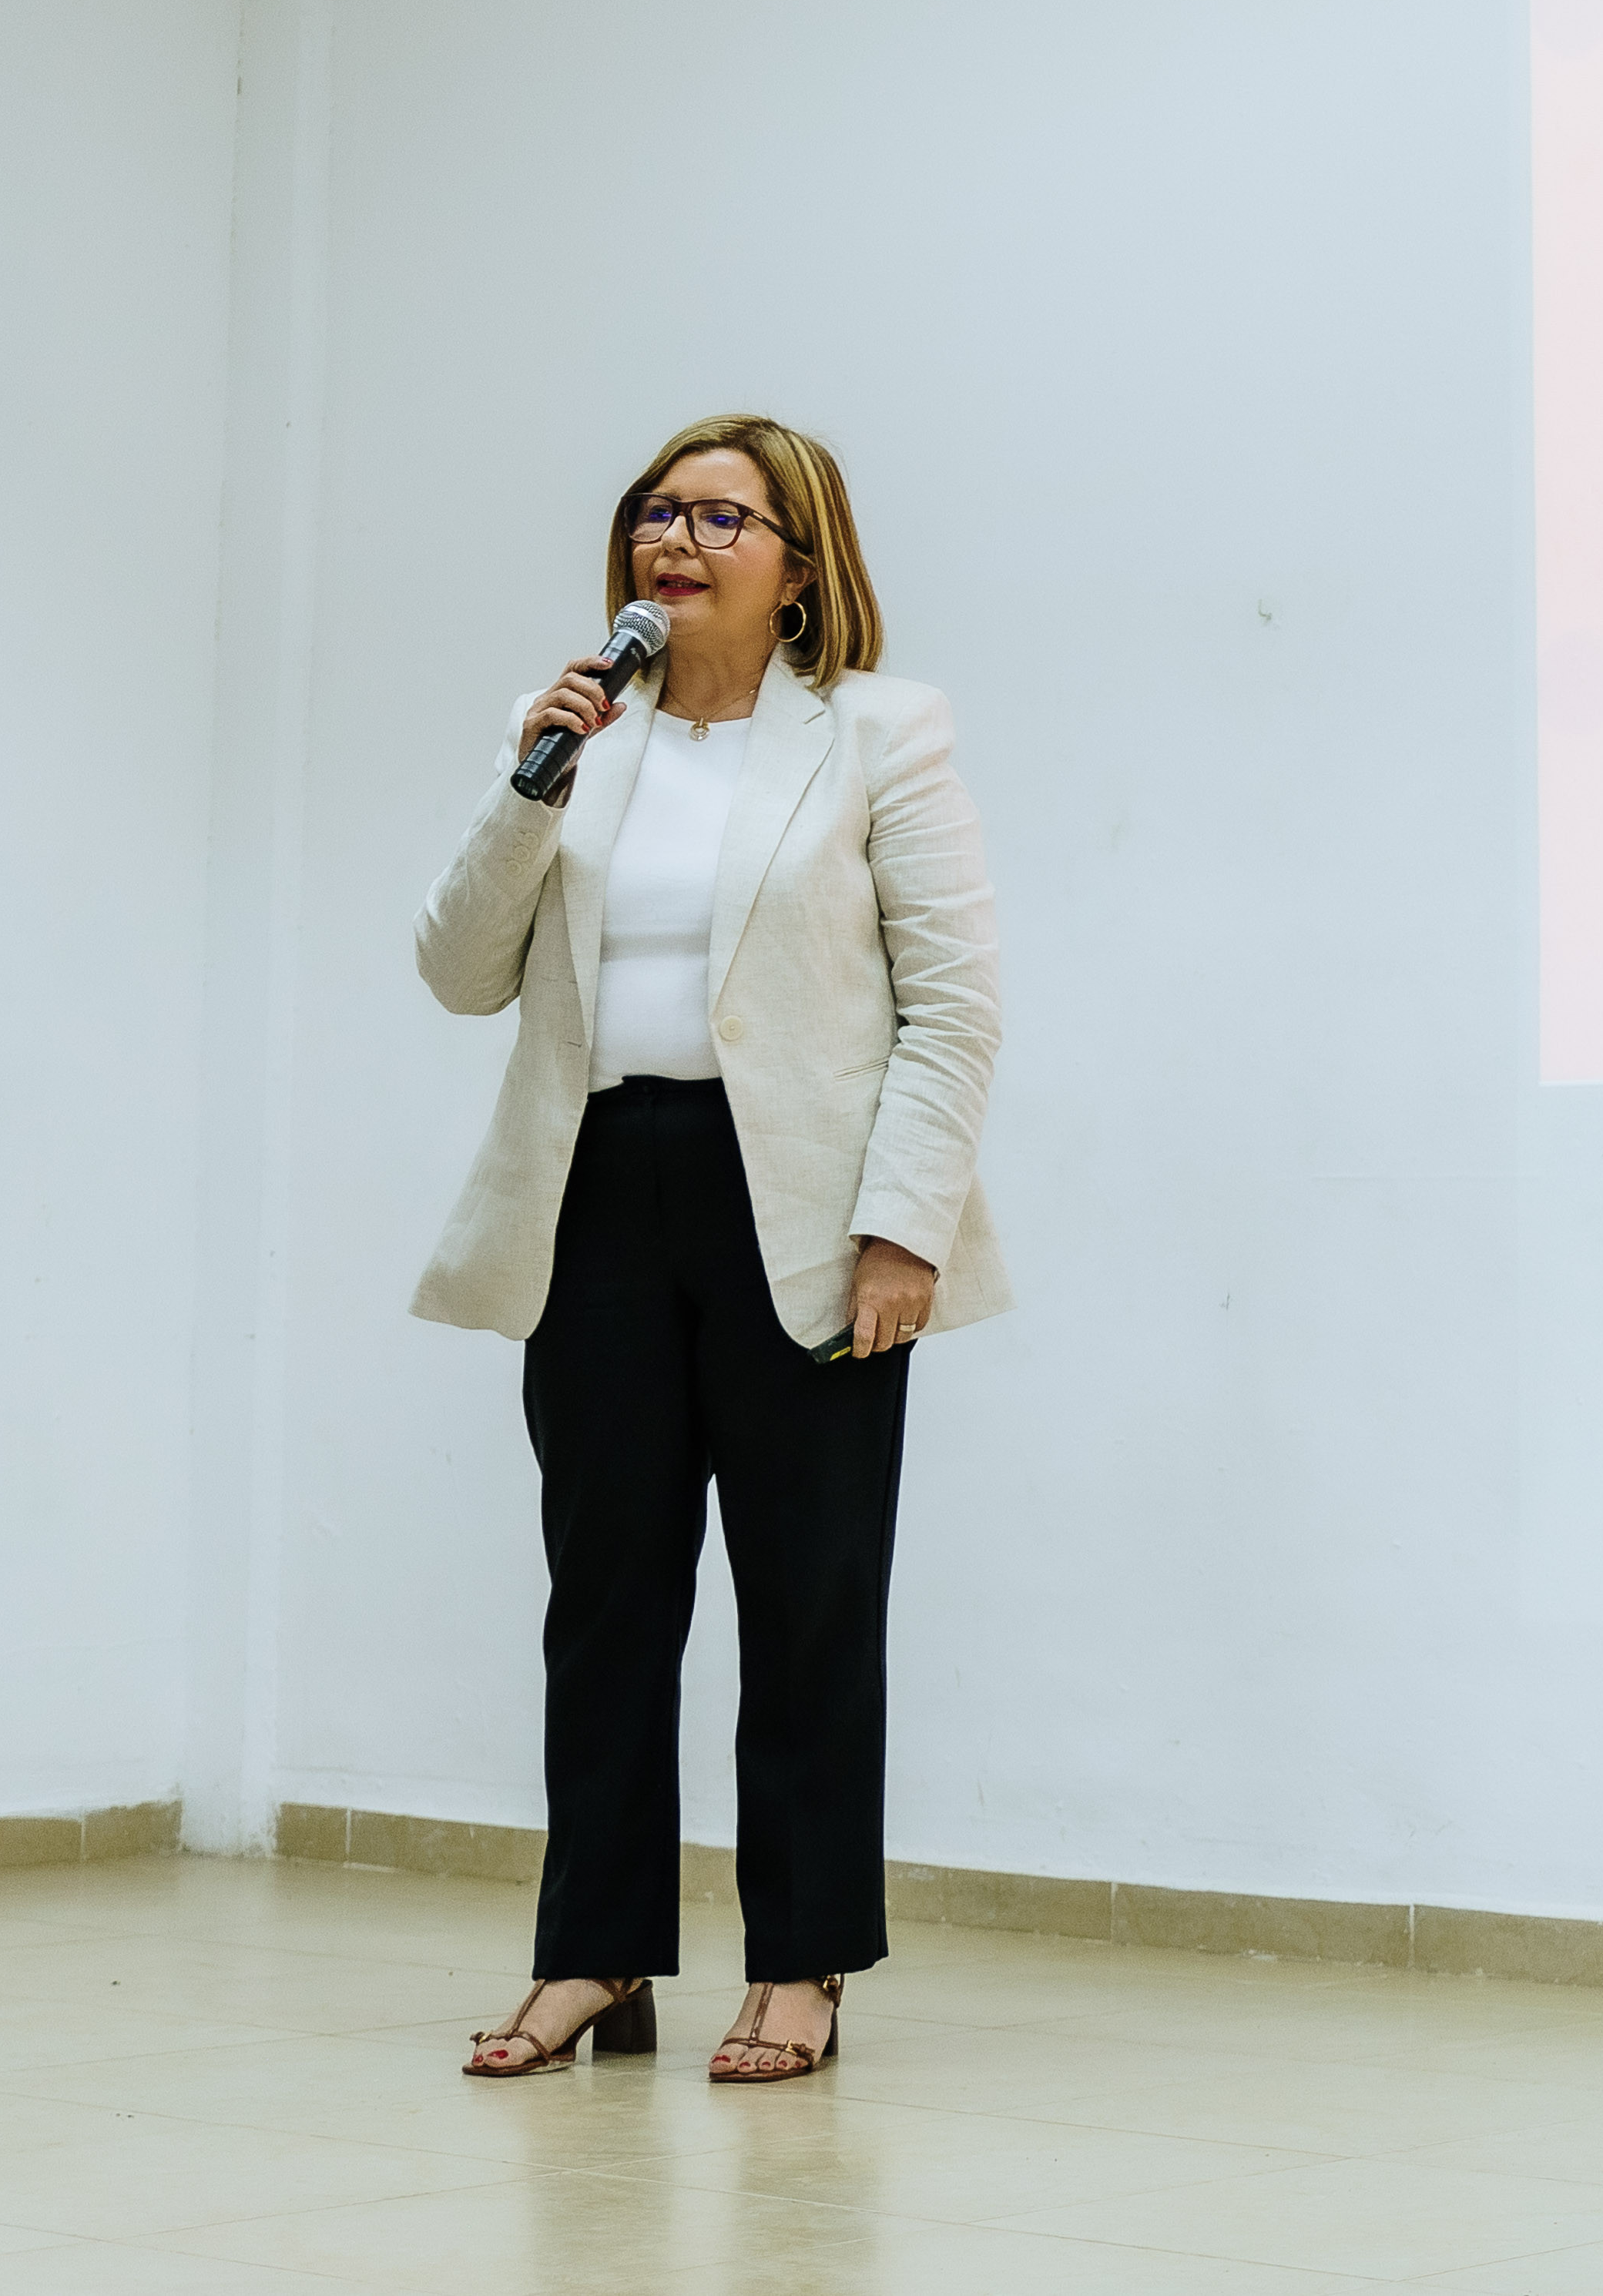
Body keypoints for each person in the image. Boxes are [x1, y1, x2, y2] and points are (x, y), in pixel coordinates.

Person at [409, 413, 1006, 2084]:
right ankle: (592, 1952)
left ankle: (803, 1959)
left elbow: (955, 1007)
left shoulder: (880, 733)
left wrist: (904, 1228)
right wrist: (533, 777)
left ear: (800, 566)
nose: (674, 540)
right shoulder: (574, 736)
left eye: (720, 518)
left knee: (810, 1597)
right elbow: (458, 971)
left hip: (806, 1211)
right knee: (604, 1596)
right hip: (599, 1194)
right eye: (656, 512)